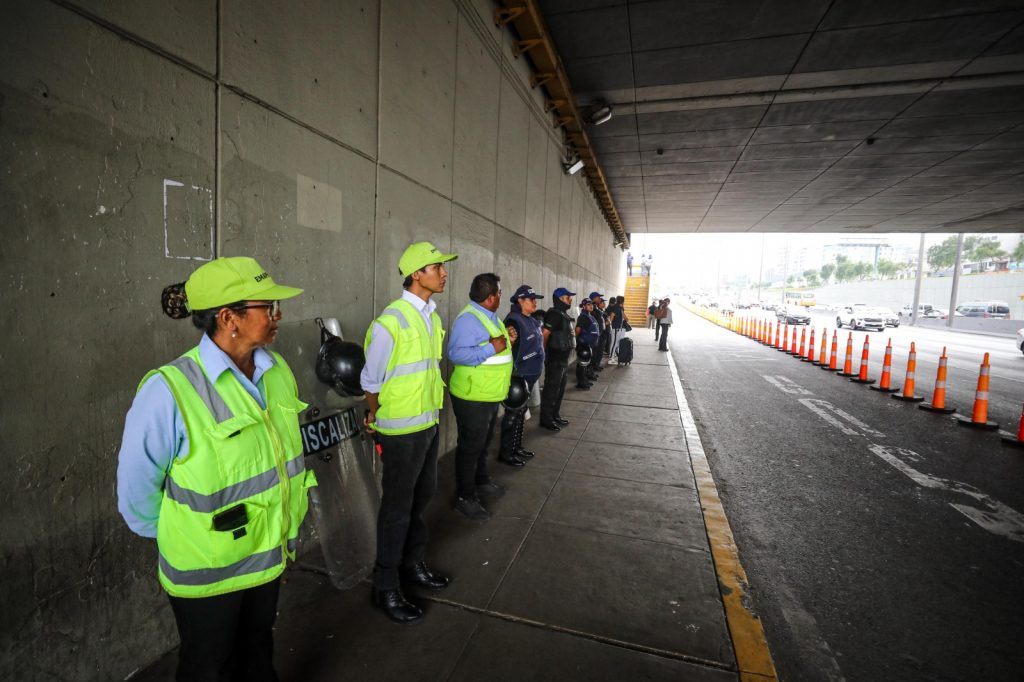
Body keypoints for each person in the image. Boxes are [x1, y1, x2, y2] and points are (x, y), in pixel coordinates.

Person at [117, 257, 313, 682]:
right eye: (268, 308)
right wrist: (190, 534)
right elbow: (137, 498)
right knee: (210, 667)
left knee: (258, 653)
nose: (277, 317)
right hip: (208, 574)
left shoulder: (275, 371)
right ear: (230, 319)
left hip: (267, 556)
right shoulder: (169, 390)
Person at [361, 241, 456, 623]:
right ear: (417, 274)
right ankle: (386, 586)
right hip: (400, 431)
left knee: (421, 499)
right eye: (437, 267)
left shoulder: (431, 317)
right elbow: (371, 381)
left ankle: (412, 564)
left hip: (428, 424)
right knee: (397, 510)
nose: (444, 273)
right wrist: (378, 422)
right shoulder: (392, 321)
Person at [448, 273, 518, 521]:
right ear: (490, 298)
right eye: (499, 292)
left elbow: (495, 346)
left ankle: (481, 480)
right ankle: (464, 497)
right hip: (472, 396)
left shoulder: (488, 316)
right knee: (470, 447)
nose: (501, 295)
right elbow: (456, 354)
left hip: (487, 394)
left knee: (483, 442)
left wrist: (507, 339)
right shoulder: (468, 320)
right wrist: (493, 347)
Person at [500, 285, 545, 466]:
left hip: (530, 377)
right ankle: (506, 453)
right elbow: (506, 348)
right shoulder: (513, 321)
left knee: (520, 415)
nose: (535, 302)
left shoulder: (531, 320)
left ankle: (516, 447)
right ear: (520, 300)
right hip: (518, 376)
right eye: (531, 299)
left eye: (536, 299)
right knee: (512, 415)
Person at [540, 287, 575, 432]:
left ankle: (555, 415)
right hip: (554, 359)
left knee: (559, 390)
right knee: (551, 390)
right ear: (559, 299)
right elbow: (545, 334)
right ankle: (546, 420)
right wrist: (543, 353)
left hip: (562, 360)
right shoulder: (554, 314)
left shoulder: (563, 315)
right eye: (567, 297)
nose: (570, 300)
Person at [574, 298, 600, 389]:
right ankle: (581, 383)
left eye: (591, 304)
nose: (591, 306)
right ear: (584, 306)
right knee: (582, 364)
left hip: (589, 344)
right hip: (583, 344)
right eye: (588, 304)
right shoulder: (583, 317)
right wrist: (578, 341)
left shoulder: (590, 316)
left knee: (586, 364)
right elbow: (577, 330)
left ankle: (585, 380)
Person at [588, 291, 607, 373]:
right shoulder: (591, 308)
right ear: (594, 298)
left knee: (597, 352)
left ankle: (593, 369)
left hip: (599, 333)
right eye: (598, 297)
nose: (600, 299)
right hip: (594, 334)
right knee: (592, 353)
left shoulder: (595, 308)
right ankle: (590, 370)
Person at [606, 295, 626, 359]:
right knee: (614, 343)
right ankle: (611, 358)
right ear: (622, 301)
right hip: (615, 328)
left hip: (619, 328)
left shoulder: (620, 308)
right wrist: (606, 323)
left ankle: (613, 355)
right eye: (623, 301)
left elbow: (623, 316)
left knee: (616, 342)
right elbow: (611, 319)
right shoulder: (615, 308)